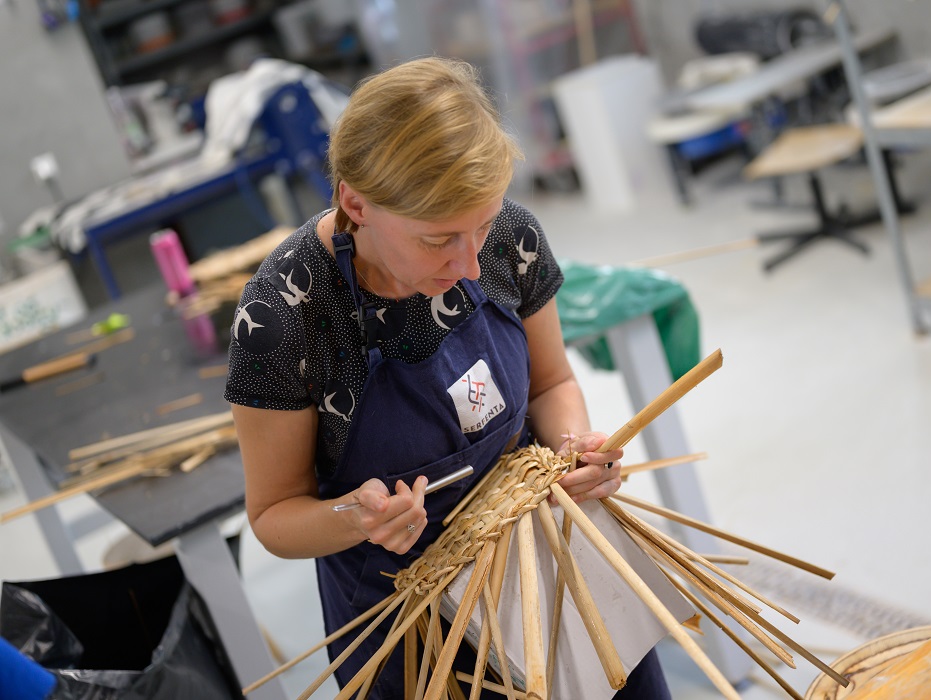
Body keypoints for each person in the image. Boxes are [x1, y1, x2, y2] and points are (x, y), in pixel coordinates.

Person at [226, 56, 671, 699]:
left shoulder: (509, 237)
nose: (468, 264)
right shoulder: (283, 317)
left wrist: (575, 447)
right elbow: (273, 514)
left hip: (544, 558)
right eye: (438, 241)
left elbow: (550, 385)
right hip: (411, 624)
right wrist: (355, 517)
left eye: (481, 227)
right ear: (356, 202)